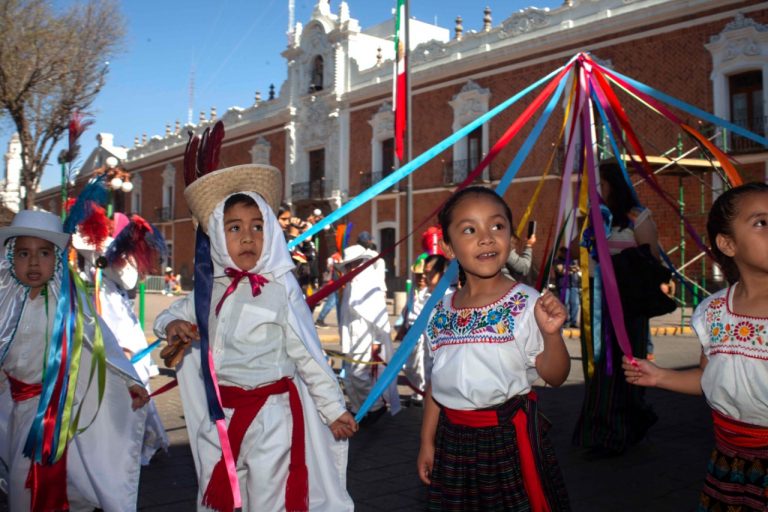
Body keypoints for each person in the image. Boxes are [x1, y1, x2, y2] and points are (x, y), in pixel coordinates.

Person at [153, 161, 356, 511]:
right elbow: (169, 315)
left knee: (267, 496)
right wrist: (172, 326)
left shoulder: (281, 289)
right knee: (223, 493)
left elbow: (308, 355)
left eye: (257, 226)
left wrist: (333, 409)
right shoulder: (208, 289)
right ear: (217, 233)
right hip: (221, 414)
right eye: (234, 227)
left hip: (271, 417)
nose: (247, 237)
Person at [417, 186, 571, 511]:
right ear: (447, 246)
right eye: (469, 230)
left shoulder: (527, 303)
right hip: (451, 441)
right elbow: (437, 382)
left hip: (506, 443)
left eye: (497, 226)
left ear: (511, 238)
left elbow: (555, 376)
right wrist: (426, 441)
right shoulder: (440, 311)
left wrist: (552, 335)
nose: (486, 238)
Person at [622, 182, 768, 511]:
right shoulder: (713, 312)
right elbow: (709, 377)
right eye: (761, 222)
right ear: (727, 244)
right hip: (729, 459)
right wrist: (659, 377)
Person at [0, 210, 149, 511]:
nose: (32, 262)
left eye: (43, 253)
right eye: (24, 253)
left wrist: (131, 380)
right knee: (21, 473)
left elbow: (104, 343)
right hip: (13, 403)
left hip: (56, 406)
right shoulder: (4, 301)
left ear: (56, 259)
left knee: (31, 477)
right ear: (10, 258)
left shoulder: (69, 302)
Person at [572, 162, 659, 455]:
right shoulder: (595, 218)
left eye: (602, 185)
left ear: (614, 185)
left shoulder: (638, 217)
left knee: (623, 365)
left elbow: (652, 261)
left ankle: (625, 425)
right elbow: (576, 252)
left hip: (628, 302)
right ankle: (602, 430)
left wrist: (623, 265)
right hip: (596, 301)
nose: (598, 191)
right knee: (599, 367)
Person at [337, 243, 400, 423]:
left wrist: (377, 341)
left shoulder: (371, 284)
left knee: (358, 374)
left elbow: (378, 318)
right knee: (350, 376)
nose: (351, 268)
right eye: (349, 265)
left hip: (365, 339)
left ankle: (374, 407)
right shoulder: (351, 285)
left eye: (355, 263)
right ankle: (360, 409)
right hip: (352, 338)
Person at [402, 254, 448, 407]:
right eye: (423, 273)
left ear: (441, 273)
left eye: (429, 272)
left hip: (442, 360)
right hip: (420, 342)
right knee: (412, 367)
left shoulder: (450, 297)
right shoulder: (423, 294)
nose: (425, 276)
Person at [315, 249, 341, 327]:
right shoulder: (337, 257)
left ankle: (320, 319)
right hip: (336, 283)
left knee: (333, 303)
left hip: (335, 283)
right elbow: (331, 268)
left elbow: (329, 268)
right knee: (334, 303)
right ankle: (320, 319)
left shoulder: (333, 257)